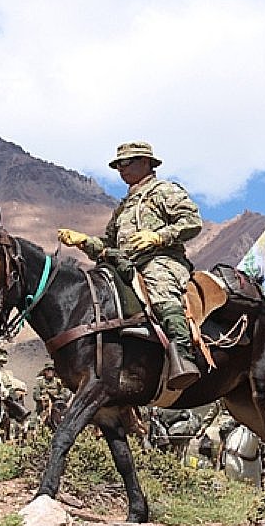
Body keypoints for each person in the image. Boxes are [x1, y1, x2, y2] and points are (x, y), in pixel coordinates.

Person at [57, 141, 203, 391]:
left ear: (145, 162)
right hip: (125, 265)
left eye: (126, 163)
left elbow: (192, 221)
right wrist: (83, 241)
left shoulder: (164, 190)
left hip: (160, 259)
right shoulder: (123, 207)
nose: (121, 169)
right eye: (118, 166)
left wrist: (158, 237)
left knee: (161, 291)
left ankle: (183, 356)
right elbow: (108, 244)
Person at [32, 361, 71, 427]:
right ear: (45, 372)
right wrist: (41, 398)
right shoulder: (40, 382)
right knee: (34, 421)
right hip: (43, 406)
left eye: (52, 370)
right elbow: (35, 394)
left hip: (57, 405)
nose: (50, 372)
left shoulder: (59, 382)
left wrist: (56, 397)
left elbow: (66, 394)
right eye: (48, 370)